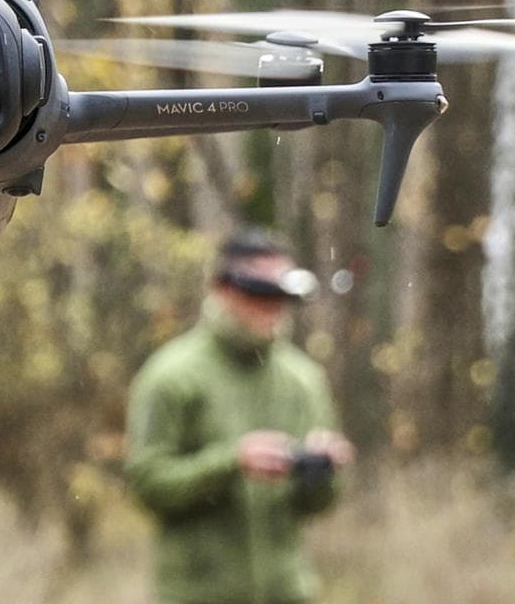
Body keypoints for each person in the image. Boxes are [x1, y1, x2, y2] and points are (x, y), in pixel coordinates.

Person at [125, 229, 354, 604]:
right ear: (222, 289)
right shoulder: (170, 376)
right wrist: (231, 462)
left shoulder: (305, 380)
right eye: (259, 293)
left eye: (280, 296)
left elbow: (319, 505)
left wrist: (321, 471)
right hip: (196, 596)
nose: (271, 307)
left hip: (289, 593)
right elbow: (147, 486)